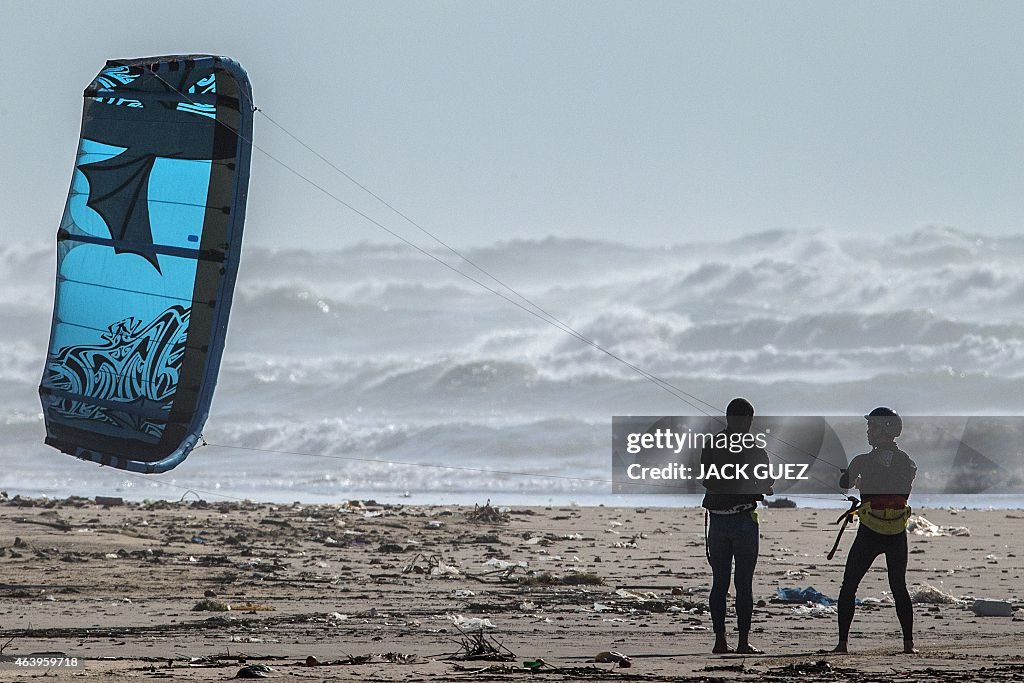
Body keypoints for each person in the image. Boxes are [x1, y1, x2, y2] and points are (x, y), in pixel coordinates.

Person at [833, 407, 918, 655]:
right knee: (898, 586)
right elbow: (902, 488)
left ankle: (842, 644)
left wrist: (853, 475)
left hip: (870, 532)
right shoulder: (907, 462)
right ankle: (908, 645)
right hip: (896, 533)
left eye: (871, 427)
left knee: (849, 586)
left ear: (883, 429)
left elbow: (844, 484)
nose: (868, 431)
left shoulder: (862, 460)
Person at [701, 397, 774, 655]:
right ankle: (743, 642)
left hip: (717, 521)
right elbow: (765, 483)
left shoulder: (711, 444)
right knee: (743, 582)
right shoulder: (754, 448)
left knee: (719, 582)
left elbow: (706, 478)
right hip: (743, 520)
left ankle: (720, 641)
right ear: (746, 420)